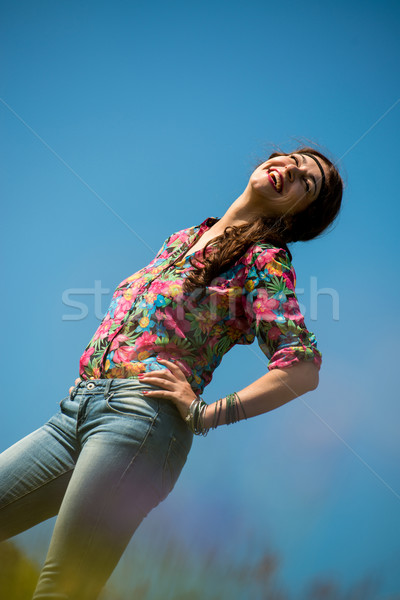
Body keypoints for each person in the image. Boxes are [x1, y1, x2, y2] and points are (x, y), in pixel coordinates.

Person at [0, 146, 343, 599]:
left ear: (300, 215)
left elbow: (300, 368)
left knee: (61, 588)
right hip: (74, 415)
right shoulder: (182, 239)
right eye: (292, 159)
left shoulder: (264, 260)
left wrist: (207, 414)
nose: (293, 169)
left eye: (307, 182)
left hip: (139, 424)